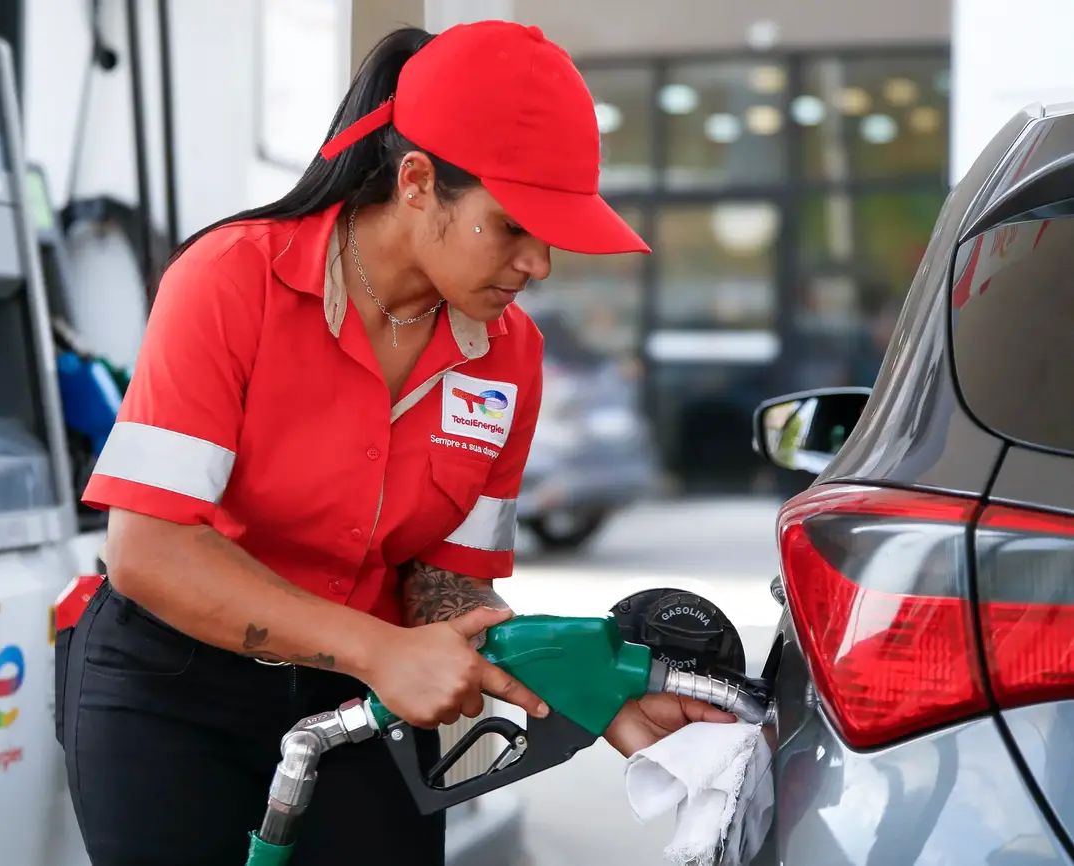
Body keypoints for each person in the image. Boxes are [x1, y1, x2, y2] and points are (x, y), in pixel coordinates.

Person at [57, 19, 736, 866]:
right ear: (417, 182)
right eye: (512, 226)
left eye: (550, 237)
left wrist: (593, 691)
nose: (538, 266)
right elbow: (149, 551)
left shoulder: (509, 353)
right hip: (173, 687)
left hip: (367, 698)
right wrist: (381, 650)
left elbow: (446, 580)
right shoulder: (232, 281)